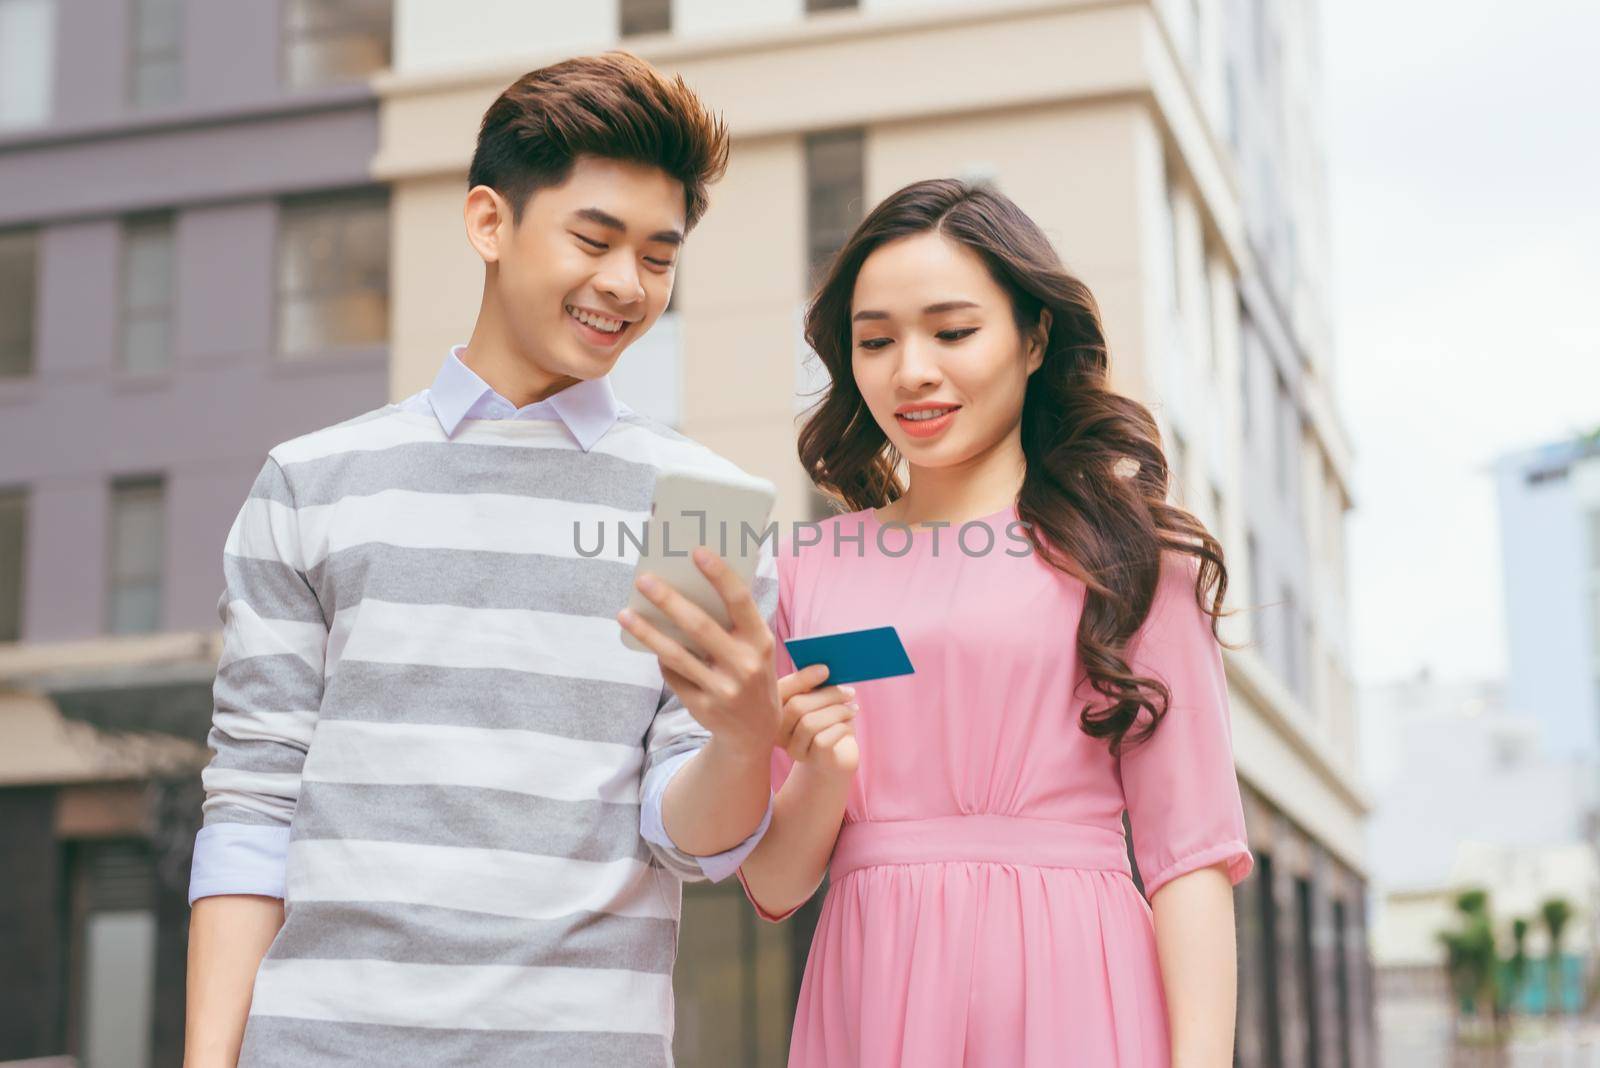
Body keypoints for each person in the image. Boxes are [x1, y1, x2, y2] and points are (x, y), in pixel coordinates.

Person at [184, 52, 791, 1067]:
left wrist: (740, 741)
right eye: (593, 240)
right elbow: (253, 801)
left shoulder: (706, 511)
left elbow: (690, 842)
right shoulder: (312, 481)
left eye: (656, 256)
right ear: (489, 224)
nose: (623, 285)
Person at [733, 178, 1255, 1066]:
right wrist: (822, 774)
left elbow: (1191, 858)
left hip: (1077, 988)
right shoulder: (804, 570)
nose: (912, 371)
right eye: (876, 341)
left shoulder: (1131, 553)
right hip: (873, 994)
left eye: (953, 331)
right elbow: (775, 883)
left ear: (1035, 336)